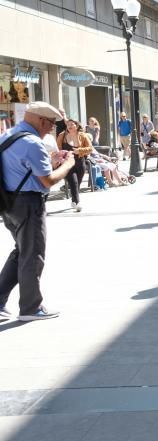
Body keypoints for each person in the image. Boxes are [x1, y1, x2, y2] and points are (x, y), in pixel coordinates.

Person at [0, 102, 75, 321]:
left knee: (21, 251)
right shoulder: (33, 143)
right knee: (32, 254)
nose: (51, 130)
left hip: (8, 201)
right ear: (42, 121)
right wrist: (67, 164)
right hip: (29, 204)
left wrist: (51, 161)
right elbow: (47, 181)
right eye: (51, 125)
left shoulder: (8, 135)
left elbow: (22, 168)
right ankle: (31, 307)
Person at [56, 118, 94, 212]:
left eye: (72, 124)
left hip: (80, 162)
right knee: (74, 182)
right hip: (67, 162)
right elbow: (57, 149)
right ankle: (77, 203)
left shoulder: (82, 135)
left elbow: (90, 148)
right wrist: (61, 158)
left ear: (76, 126)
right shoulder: (62, 136)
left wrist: (79, 150)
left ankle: (73, 200)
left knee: (78, 183)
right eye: (68, 124)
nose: (69, 126)